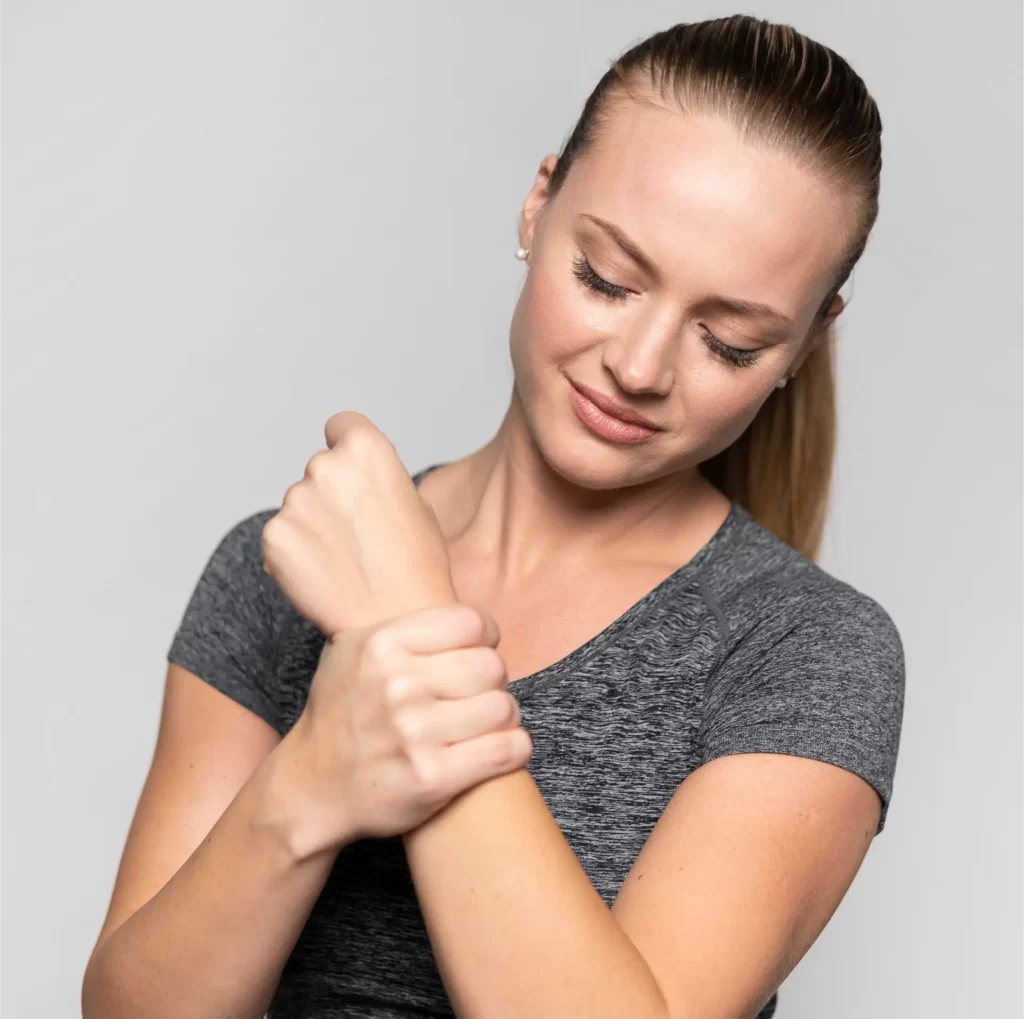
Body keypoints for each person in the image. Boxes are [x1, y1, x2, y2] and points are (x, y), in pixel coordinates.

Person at [82, 14, 906, 1019]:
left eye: (728, 341)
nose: (638, 368)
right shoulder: (283, 568)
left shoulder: (806, 648)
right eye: (606, 278)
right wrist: (307, 782)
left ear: (806, 342)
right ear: (538, 203)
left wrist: (403, 628)